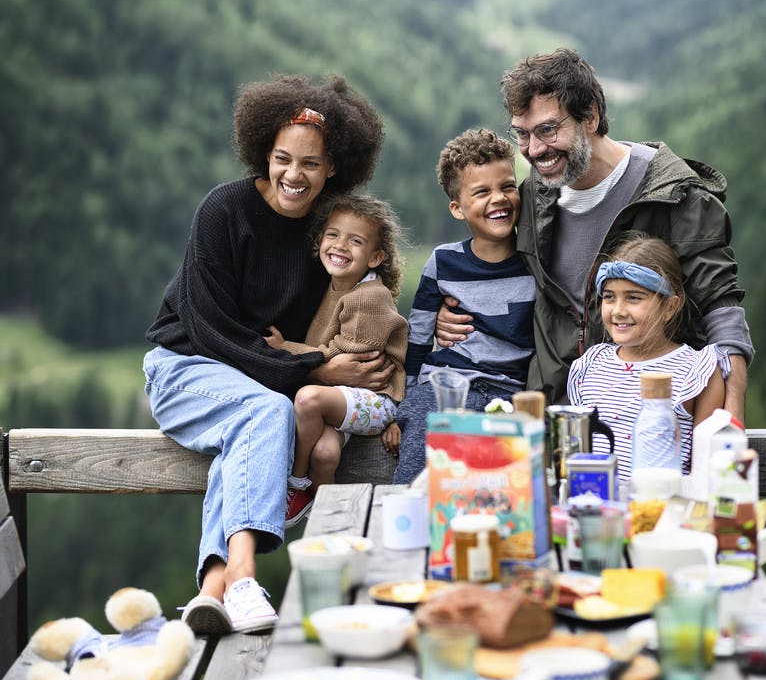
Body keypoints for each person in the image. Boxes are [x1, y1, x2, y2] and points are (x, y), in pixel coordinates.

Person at [142, 75, 390, 636]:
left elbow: (359, 314)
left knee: (250, 427)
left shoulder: (325, 235)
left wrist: (398, 386)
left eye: (310, 164)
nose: (293, 175)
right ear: (263, 153)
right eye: (282, 159)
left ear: (334, 168)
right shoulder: (224, 210)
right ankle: (247, 577)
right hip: (184, 370)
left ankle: (211, 588)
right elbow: (211, 332)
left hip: (252, 388)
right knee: (264, 414)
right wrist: (314, 370)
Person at [436, 48, 752, 420]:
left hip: (650, 420)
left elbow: (720, 307)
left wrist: (731, 414)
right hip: (552, 418)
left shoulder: (675, 197)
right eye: (522, 134)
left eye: (548, 130)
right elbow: (496, 264)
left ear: (590, 116)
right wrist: (457, 306)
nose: (534, 150)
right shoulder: (530, 198)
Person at [390, 128, 535, 484]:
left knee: (494, 483)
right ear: (457, 208)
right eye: (482, 192)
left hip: (508, 393)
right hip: (444, 386)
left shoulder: (536, 262)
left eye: (507, 187)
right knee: (415, 479)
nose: (498, 199)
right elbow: (420, 337)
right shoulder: (443, 263)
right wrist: (402, 406)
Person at [264, 193, 408, 527]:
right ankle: (329, 524)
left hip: (375, 401)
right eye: (333, 235)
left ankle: (295, 484)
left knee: (307, 399)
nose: (340, 245)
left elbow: (345, 359)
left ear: (375, 257)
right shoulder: (334, 287)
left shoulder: (369, 297)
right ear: (319, 242)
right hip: (346, 399)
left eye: (355, 241)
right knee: (325, 453)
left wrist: (287, 348)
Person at [567, 234, 726, 484]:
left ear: (670, 307)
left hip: (661, 512)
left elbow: (707, 469)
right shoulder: (589, 365)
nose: (618, 310)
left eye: (633, 297)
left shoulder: (697, 370)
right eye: (609, 297)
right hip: (596, 507)